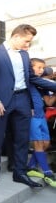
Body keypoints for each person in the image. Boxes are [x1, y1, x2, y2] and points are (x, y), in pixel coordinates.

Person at [0, 24, 56, 187]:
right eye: (26, 41)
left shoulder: (24, 55)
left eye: (29, 42)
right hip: (1, 101)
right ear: (16, 37)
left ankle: (20, 172)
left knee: (22, 138)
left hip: (22, 99)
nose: (27, 45)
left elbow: (32, 79)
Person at [26, 58, 56, 187]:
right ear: (30, 67)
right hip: (32, 117)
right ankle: (48, 173)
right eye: (38, 67)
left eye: (42, 68)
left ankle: (31, 166)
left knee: (46, 143)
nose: (41, 70)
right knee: (38, 142)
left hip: (41, 117)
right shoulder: (27, 81)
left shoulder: (41, 84)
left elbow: (49, 102)